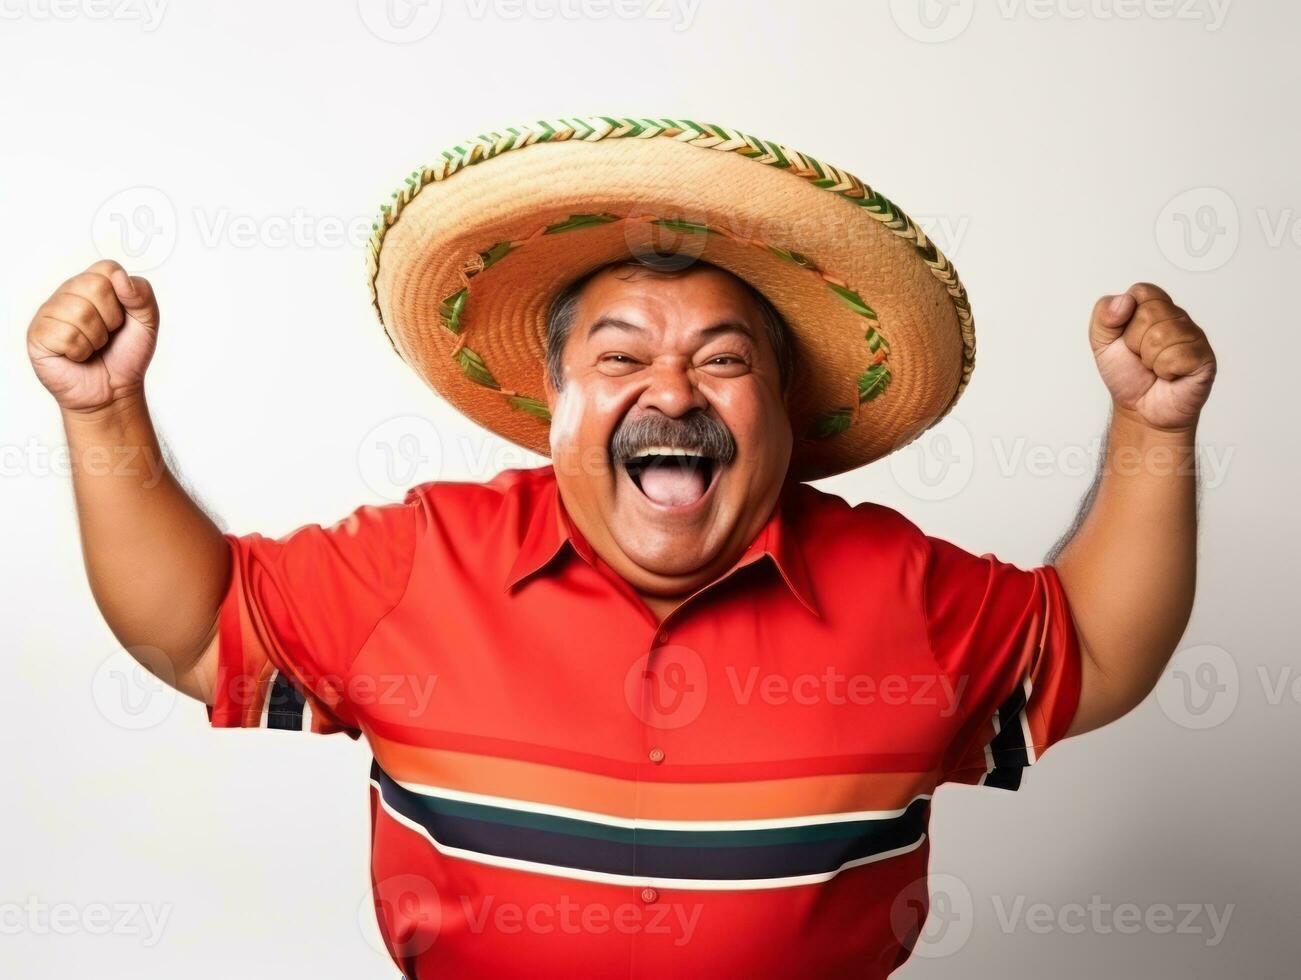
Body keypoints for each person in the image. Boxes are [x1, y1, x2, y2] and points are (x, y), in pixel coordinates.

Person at [27, 117, 1216, 978]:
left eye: (722, 357)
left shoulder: (897, 587)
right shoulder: (421, 560)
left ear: (784, 414)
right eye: (617, 357)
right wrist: (98, 410)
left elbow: (1097, 650)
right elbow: (194, 624)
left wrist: (1151, 429)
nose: (670, 388)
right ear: (549, 405)